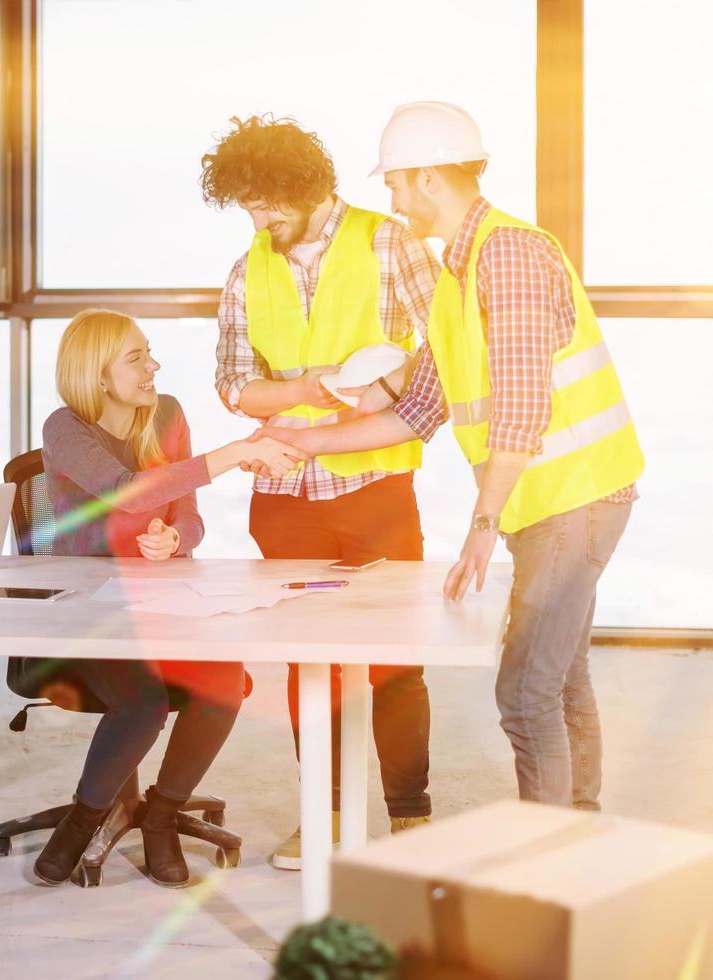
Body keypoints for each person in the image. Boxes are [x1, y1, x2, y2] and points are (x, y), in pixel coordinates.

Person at [260, 102, 644, 810]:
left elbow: (524, 408)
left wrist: (481, 524)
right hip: (548, 503)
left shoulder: (510, 253)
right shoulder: (457, 277)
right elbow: (419, 409)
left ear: (430, 178)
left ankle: (550, 852)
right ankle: (580, 831)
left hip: (577, 498)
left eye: (398, 185)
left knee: (525, 691)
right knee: (561, 679)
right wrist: (302, 440)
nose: (393, 200)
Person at [199, 114, 442, 869]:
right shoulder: (249, 270)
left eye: (266, 202)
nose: (257, 218)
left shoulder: (387, 242)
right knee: (311, 662)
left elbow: (443, 348)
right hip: (283, 495)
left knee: (396, 663)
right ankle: (326, 815)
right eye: (245, 205)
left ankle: (411, 819)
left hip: (375, 485)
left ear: (305, 188)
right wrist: (300, 388)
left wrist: (374, 392)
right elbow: (232, 384)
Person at [33, 308, 303, 887]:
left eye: (149, 351)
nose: (153, 365)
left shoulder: (168, 413)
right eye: (136, 357)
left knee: (224, 682)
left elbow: (189, 515)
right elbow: (126, 494)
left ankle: (161, 814)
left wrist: (176, 537)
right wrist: (234, 453)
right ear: (98, 375)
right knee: (143, 701)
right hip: (88, 604)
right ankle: (83, 821)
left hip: (161, 599)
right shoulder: (65, 428)